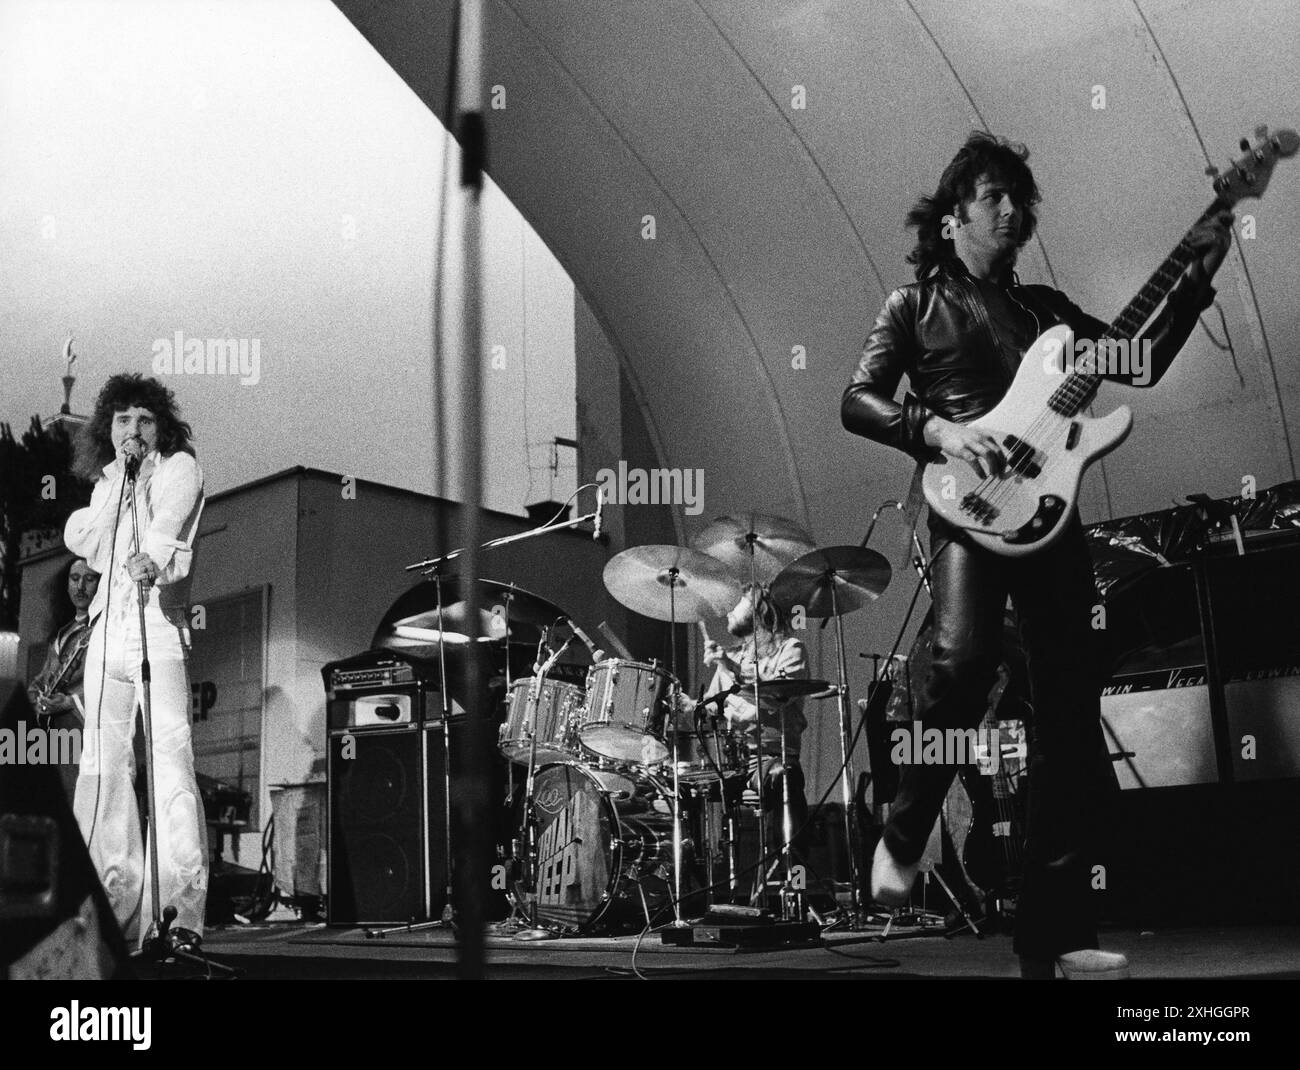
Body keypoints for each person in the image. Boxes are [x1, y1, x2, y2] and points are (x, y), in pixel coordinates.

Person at [841, 132, 1232, 978]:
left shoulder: (1050, 312)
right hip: (967, 503)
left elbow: (1144, 360)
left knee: (1067, 719)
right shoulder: (911, 306)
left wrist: (1196, 277)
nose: (1013, 210)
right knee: (963, 660)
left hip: (1052, 517)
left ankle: (1051, 941)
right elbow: (857, 400)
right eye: (993, 196)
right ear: (952, 219)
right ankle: (903, 834)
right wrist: (935, 427)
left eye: (1021, 198)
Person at [65, 373, 207, 947]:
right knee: (102, 767)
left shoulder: (179, 468)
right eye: (122, 420)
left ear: (160, 426)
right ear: (109, 428)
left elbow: (169, 532)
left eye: (144, 419)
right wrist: (121, 486)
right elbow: (90, 544)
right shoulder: (106, 485)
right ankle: (110, 909)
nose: (133, 430)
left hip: (156, 625)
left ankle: (178, 917)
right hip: (108, 627)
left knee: (170, 762)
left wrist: (149, 550)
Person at [689, 586, 810, 881]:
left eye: (738, 602)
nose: (730, 608)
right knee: (685, 790)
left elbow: (772, 696)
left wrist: (728, 666)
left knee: (786, 777)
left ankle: (796, 885)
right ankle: (697, 888)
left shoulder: (790, 649)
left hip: (770, 757)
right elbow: (711, 710)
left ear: (760, 609)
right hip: (731, 763)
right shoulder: (731, 656)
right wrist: (685, 705)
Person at [27, 557, 100, 800]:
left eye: (89, 579)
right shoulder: (62, 635)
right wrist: (38, 701)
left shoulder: (105, 628)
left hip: (84, 730)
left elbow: (109, 682)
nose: (80, 587)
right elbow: (39, 682)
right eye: (75, 578)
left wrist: (70, 702)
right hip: (52, 735)